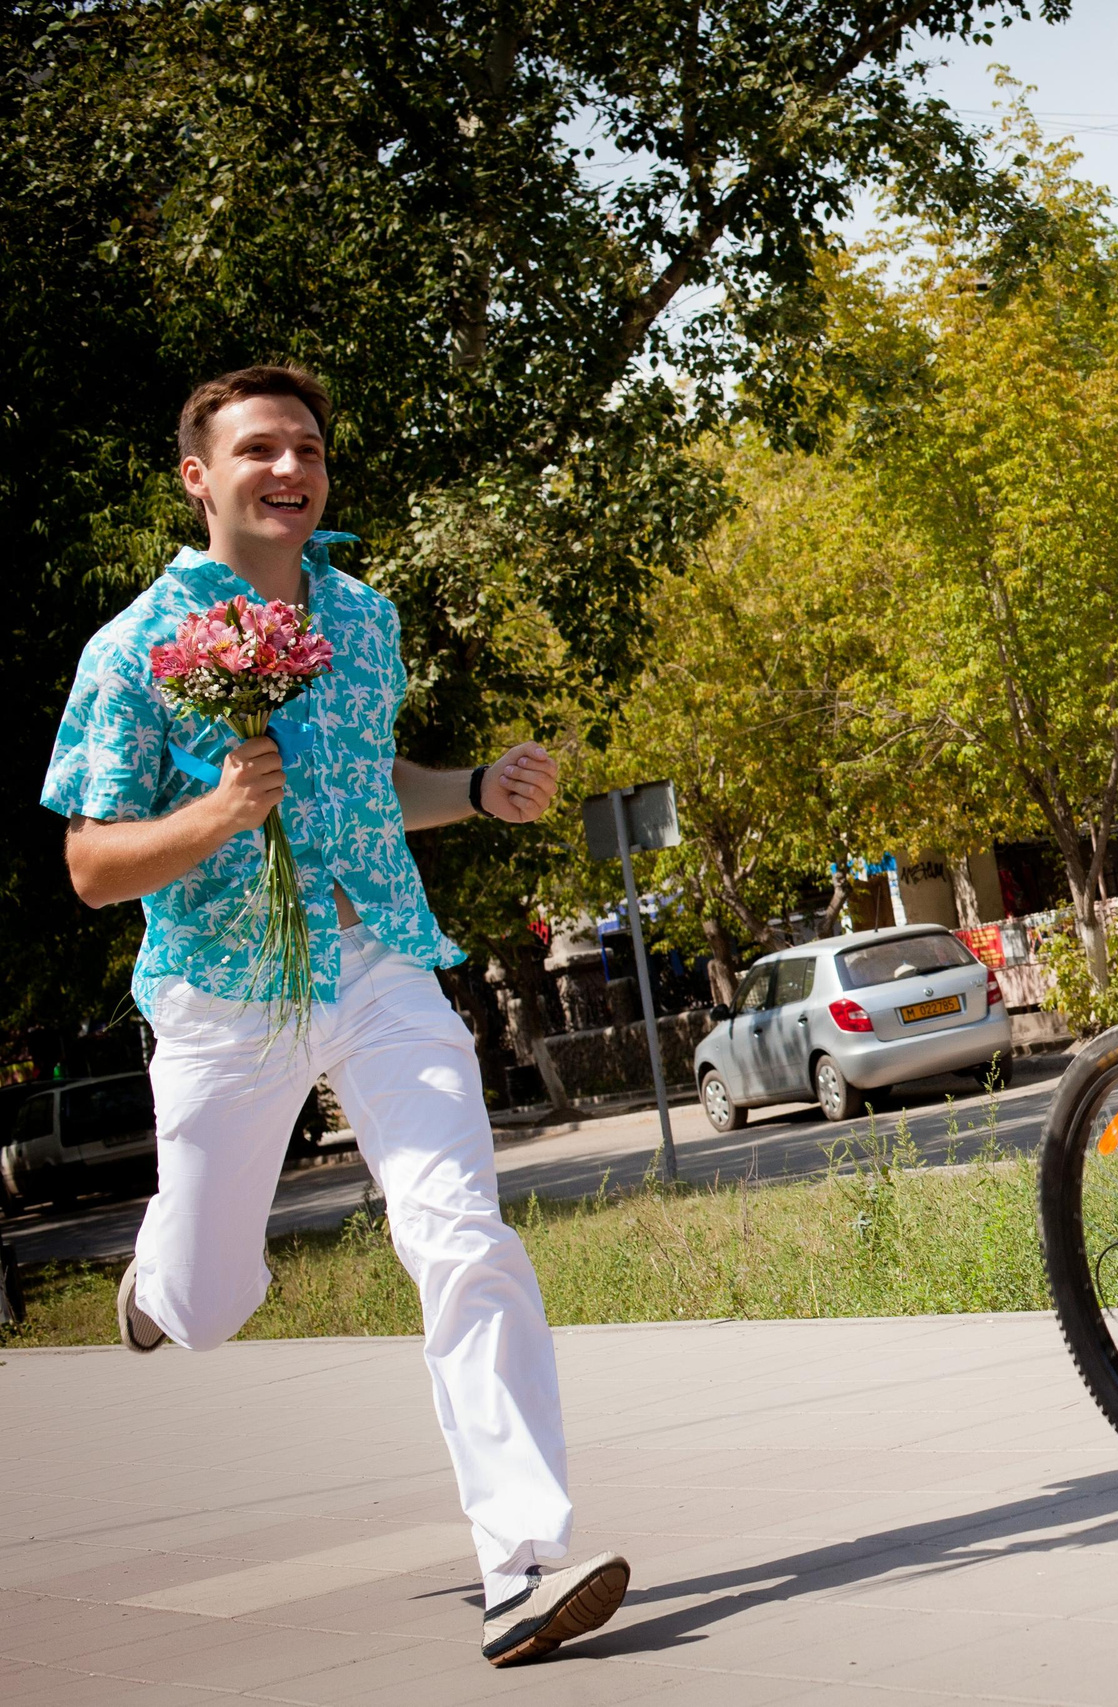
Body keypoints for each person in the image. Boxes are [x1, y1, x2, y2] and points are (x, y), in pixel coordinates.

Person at [40, 365, 628, 1667]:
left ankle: (521, 1562)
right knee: (209, 1298)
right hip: (220, 1003)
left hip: (377, 967)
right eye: (259, 449)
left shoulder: (365, 621)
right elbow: (90, 865)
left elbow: (371, 788)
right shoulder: (134, 647)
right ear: (201, 476)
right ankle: (160, 1282)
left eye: (308, 445)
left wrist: (473, 787)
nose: (289, 467)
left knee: (463, 1232)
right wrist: (212, 818)